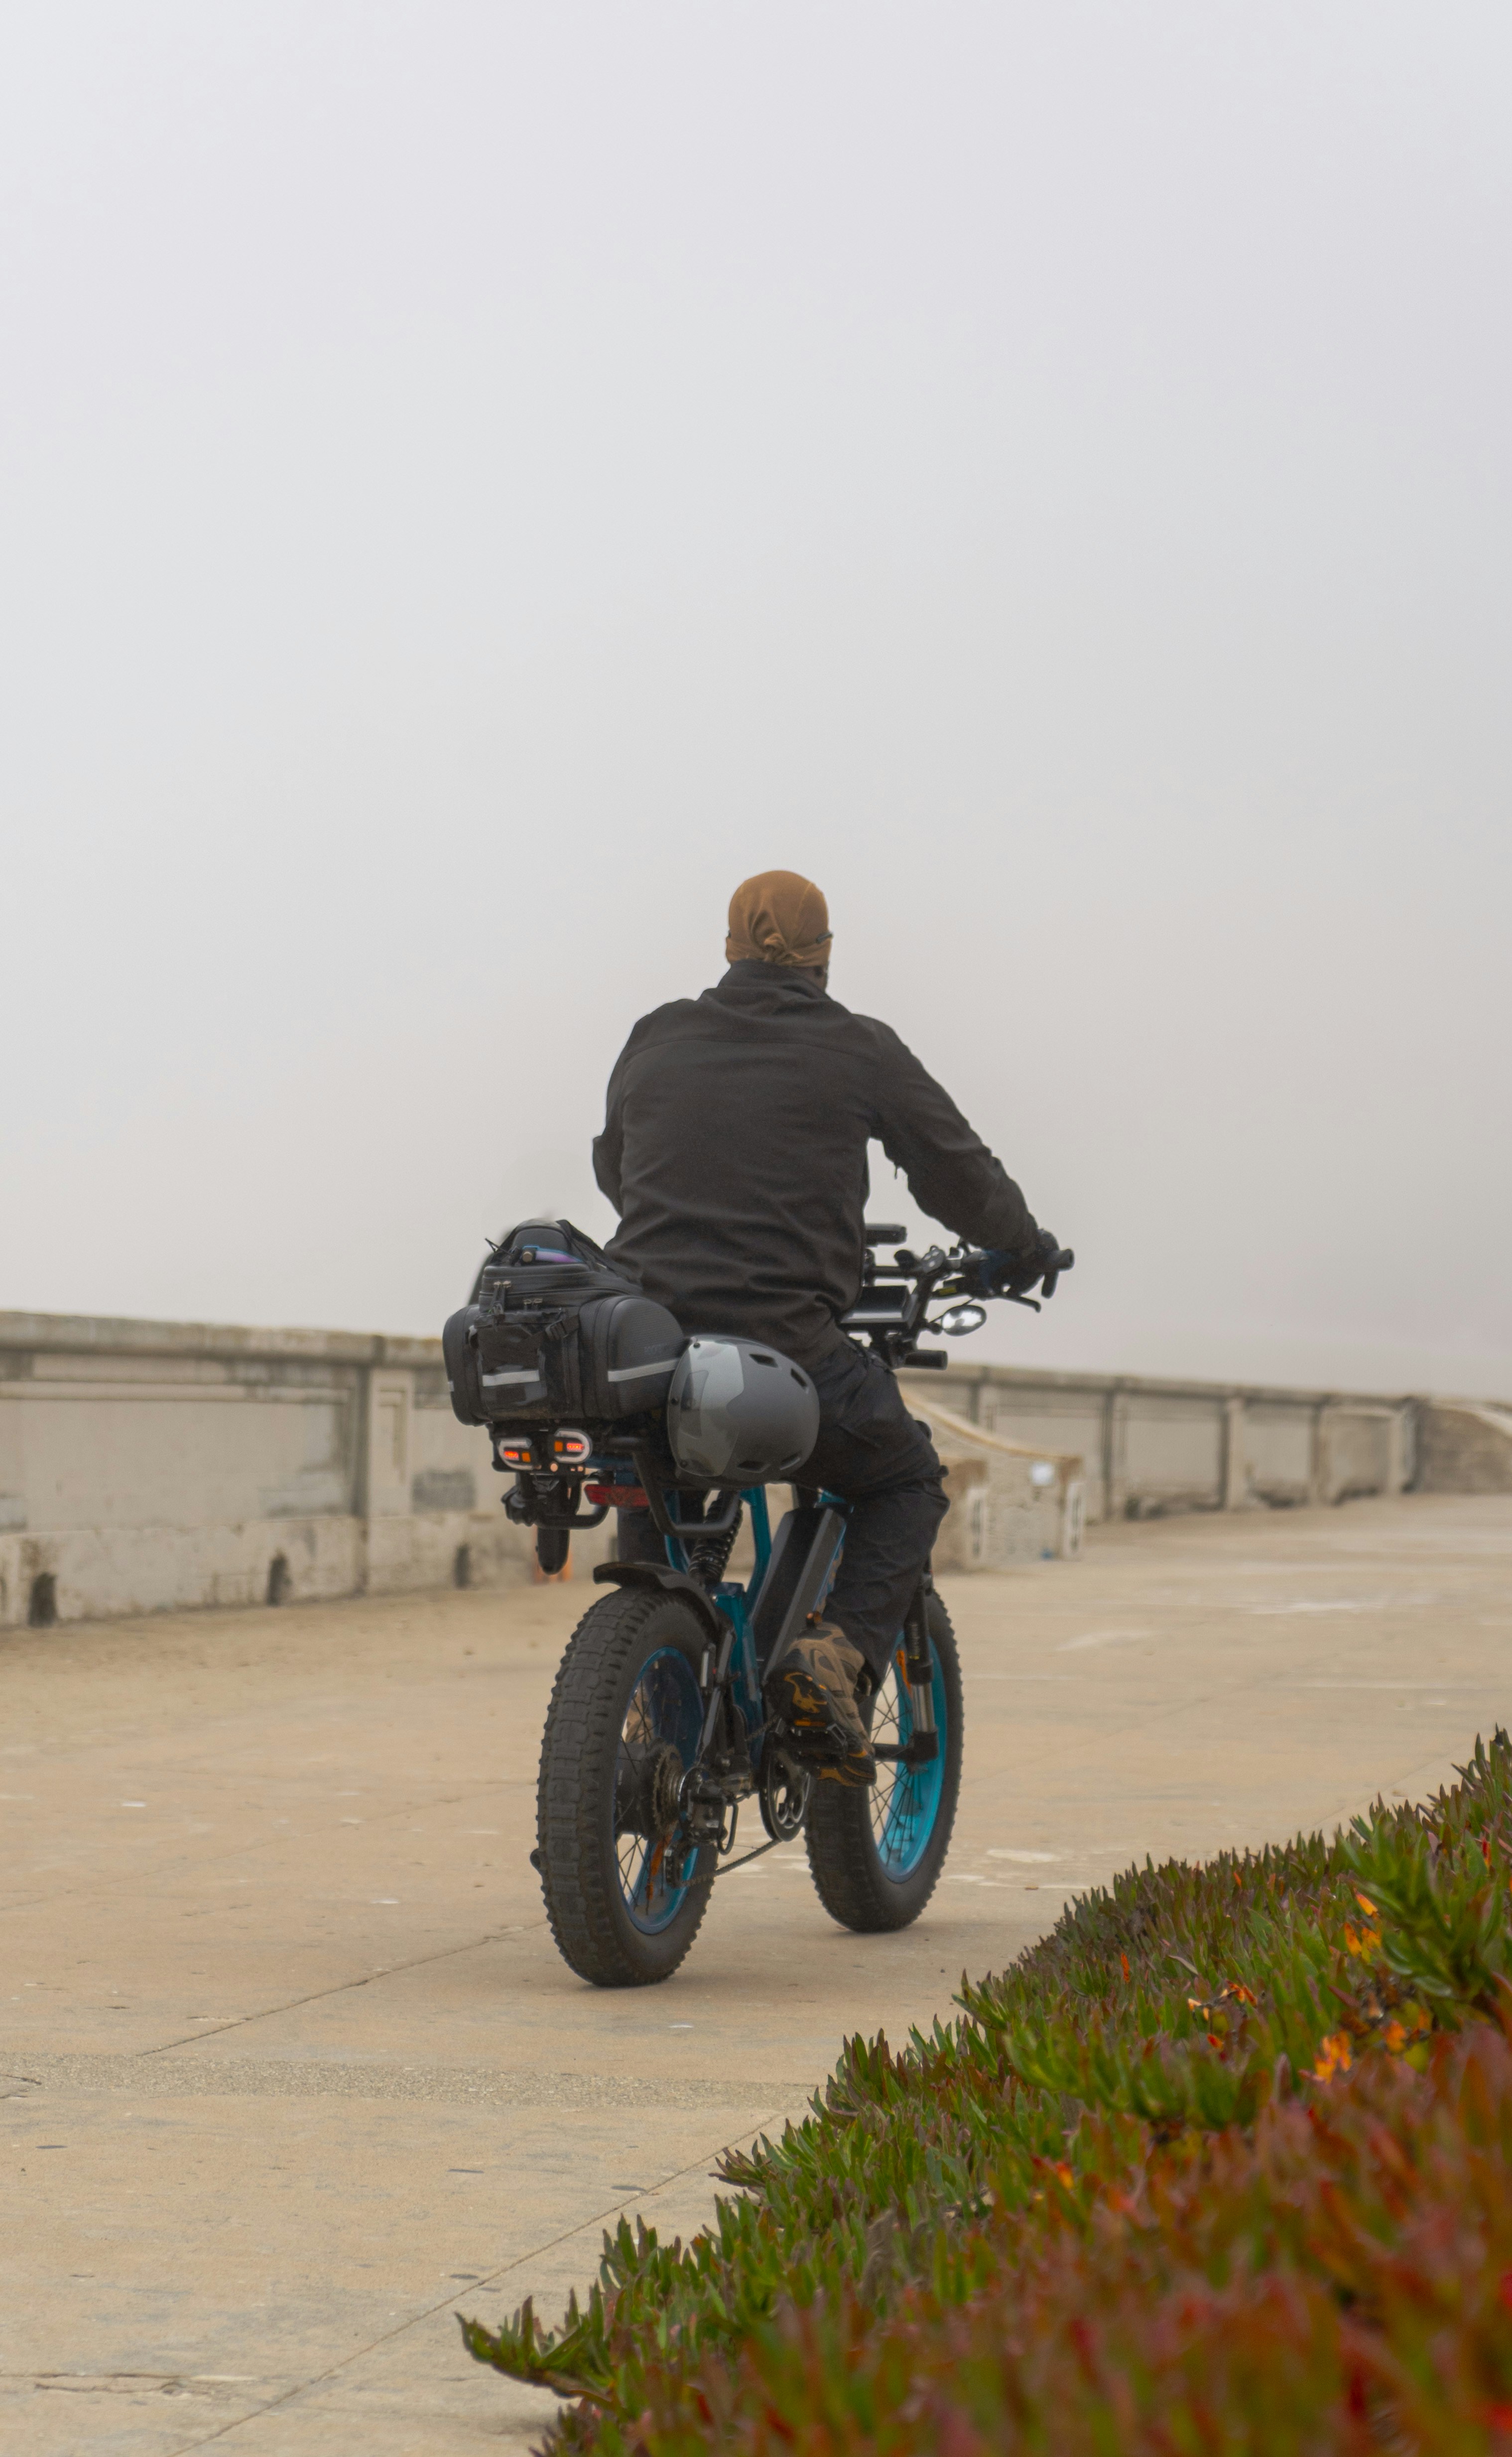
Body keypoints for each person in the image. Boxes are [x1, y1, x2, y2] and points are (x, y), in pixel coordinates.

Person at [592, 869, 1053, 1786]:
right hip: (784, 1348)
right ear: (826, 957)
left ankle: (652, 1719)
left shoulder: (656, 1035)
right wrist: (1023, 1244)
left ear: (728, 947)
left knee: (657, 1489)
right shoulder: (858, 1049)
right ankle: (832, 1657)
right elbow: (956, 1173)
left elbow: (619, 1168)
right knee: (906, 1477)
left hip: (646, 1349)